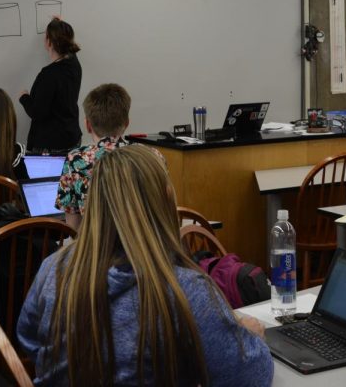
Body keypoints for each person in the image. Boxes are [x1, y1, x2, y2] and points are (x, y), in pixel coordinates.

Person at [17, 145, 273, 386]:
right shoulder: (185, 290)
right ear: (165, 201)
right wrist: (250, 339)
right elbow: (251, 377)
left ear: (93, 202)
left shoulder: (53, 269)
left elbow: (28, 340)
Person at [57, 83, 131, 230]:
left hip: (96, 248)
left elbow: (73, 227)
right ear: (126, 123)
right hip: (145, 247)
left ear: (88, 125)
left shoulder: (75, 160)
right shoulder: (152, 156)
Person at [19, 17, 82, 153]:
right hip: (72, 138)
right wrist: (59, 26)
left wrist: (24, 97)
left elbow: (37, 112)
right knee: (67, 175)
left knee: (48, 176)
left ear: (49, 42)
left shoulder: (48, 75)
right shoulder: (74, 64)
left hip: (51, 146)